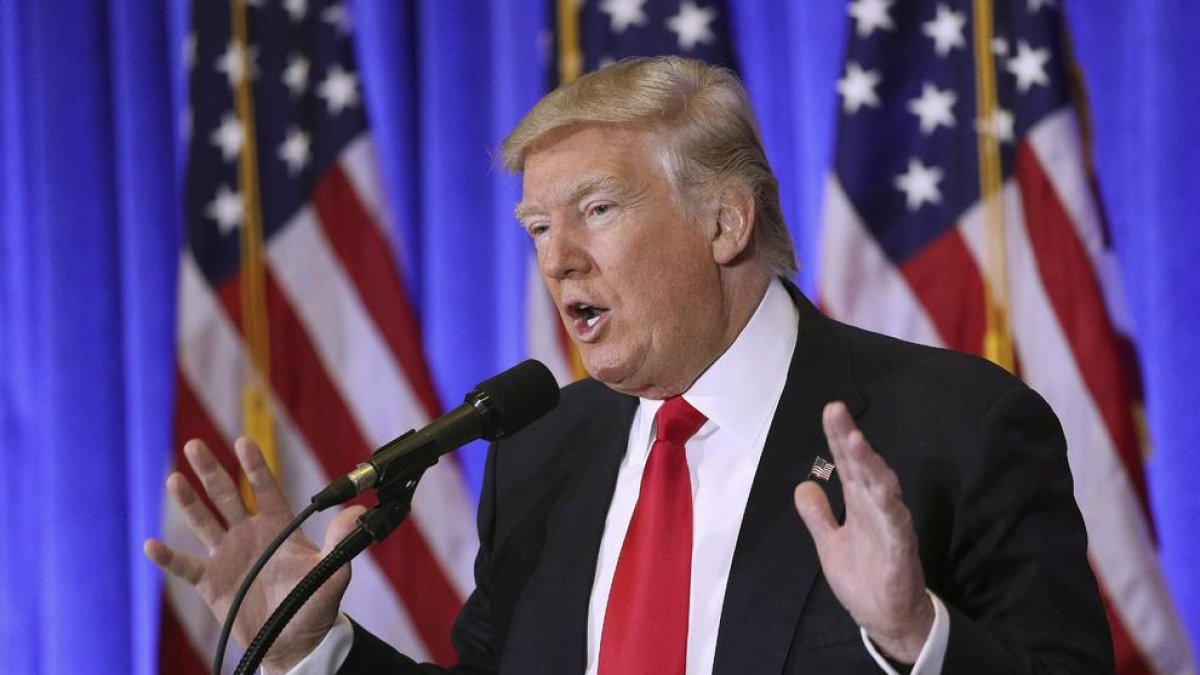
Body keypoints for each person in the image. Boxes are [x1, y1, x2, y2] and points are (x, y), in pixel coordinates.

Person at [144, 56, 1113, 674]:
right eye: (536, 226)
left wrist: (918, 640)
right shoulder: (542, 453)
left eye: (596, 210)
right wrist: (321, 653)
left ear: (724, 219)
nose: (556, 256)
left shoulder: (953, 424)